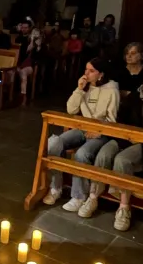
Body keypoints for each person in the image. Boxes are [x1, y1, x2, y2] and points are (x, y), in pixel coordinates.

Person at [91, 57, 143, 226]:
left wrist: (141, 135)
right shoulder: (142, 91)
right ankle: (93, 195)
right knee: (104, 153)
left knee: (123, 159)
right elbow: (124, 113)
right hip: (130, 135)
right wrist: (127, 132)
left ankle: (124, 206)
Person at [44, 58, 120, 209]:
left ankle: (79, 196)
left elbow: (112, 120)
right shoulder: (84, 87)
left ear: (101, 74)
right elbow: (71, 110)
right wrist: (79, 89)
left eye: (91, 71)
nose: (86, 74)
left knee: (82, 154)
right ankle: (55, 188)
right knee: (53, 143)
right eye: (86, 70)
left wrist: (98, 131)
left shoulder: (112, 90)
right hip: (82, 127)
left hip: (101, 133)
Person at [16, 25, 43, 99]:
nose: (35, 35)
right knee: (15, 71)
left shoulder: (42, 45)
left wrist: (38, 46)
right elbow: (24, 52)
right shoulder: (26, 41)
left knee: (23, 72)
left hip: (31, 65)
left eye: (37, 33)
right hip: (21, 63)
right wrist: (32, 42)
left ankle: (23, 96)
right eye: (33, 33)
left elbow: (39, 57)